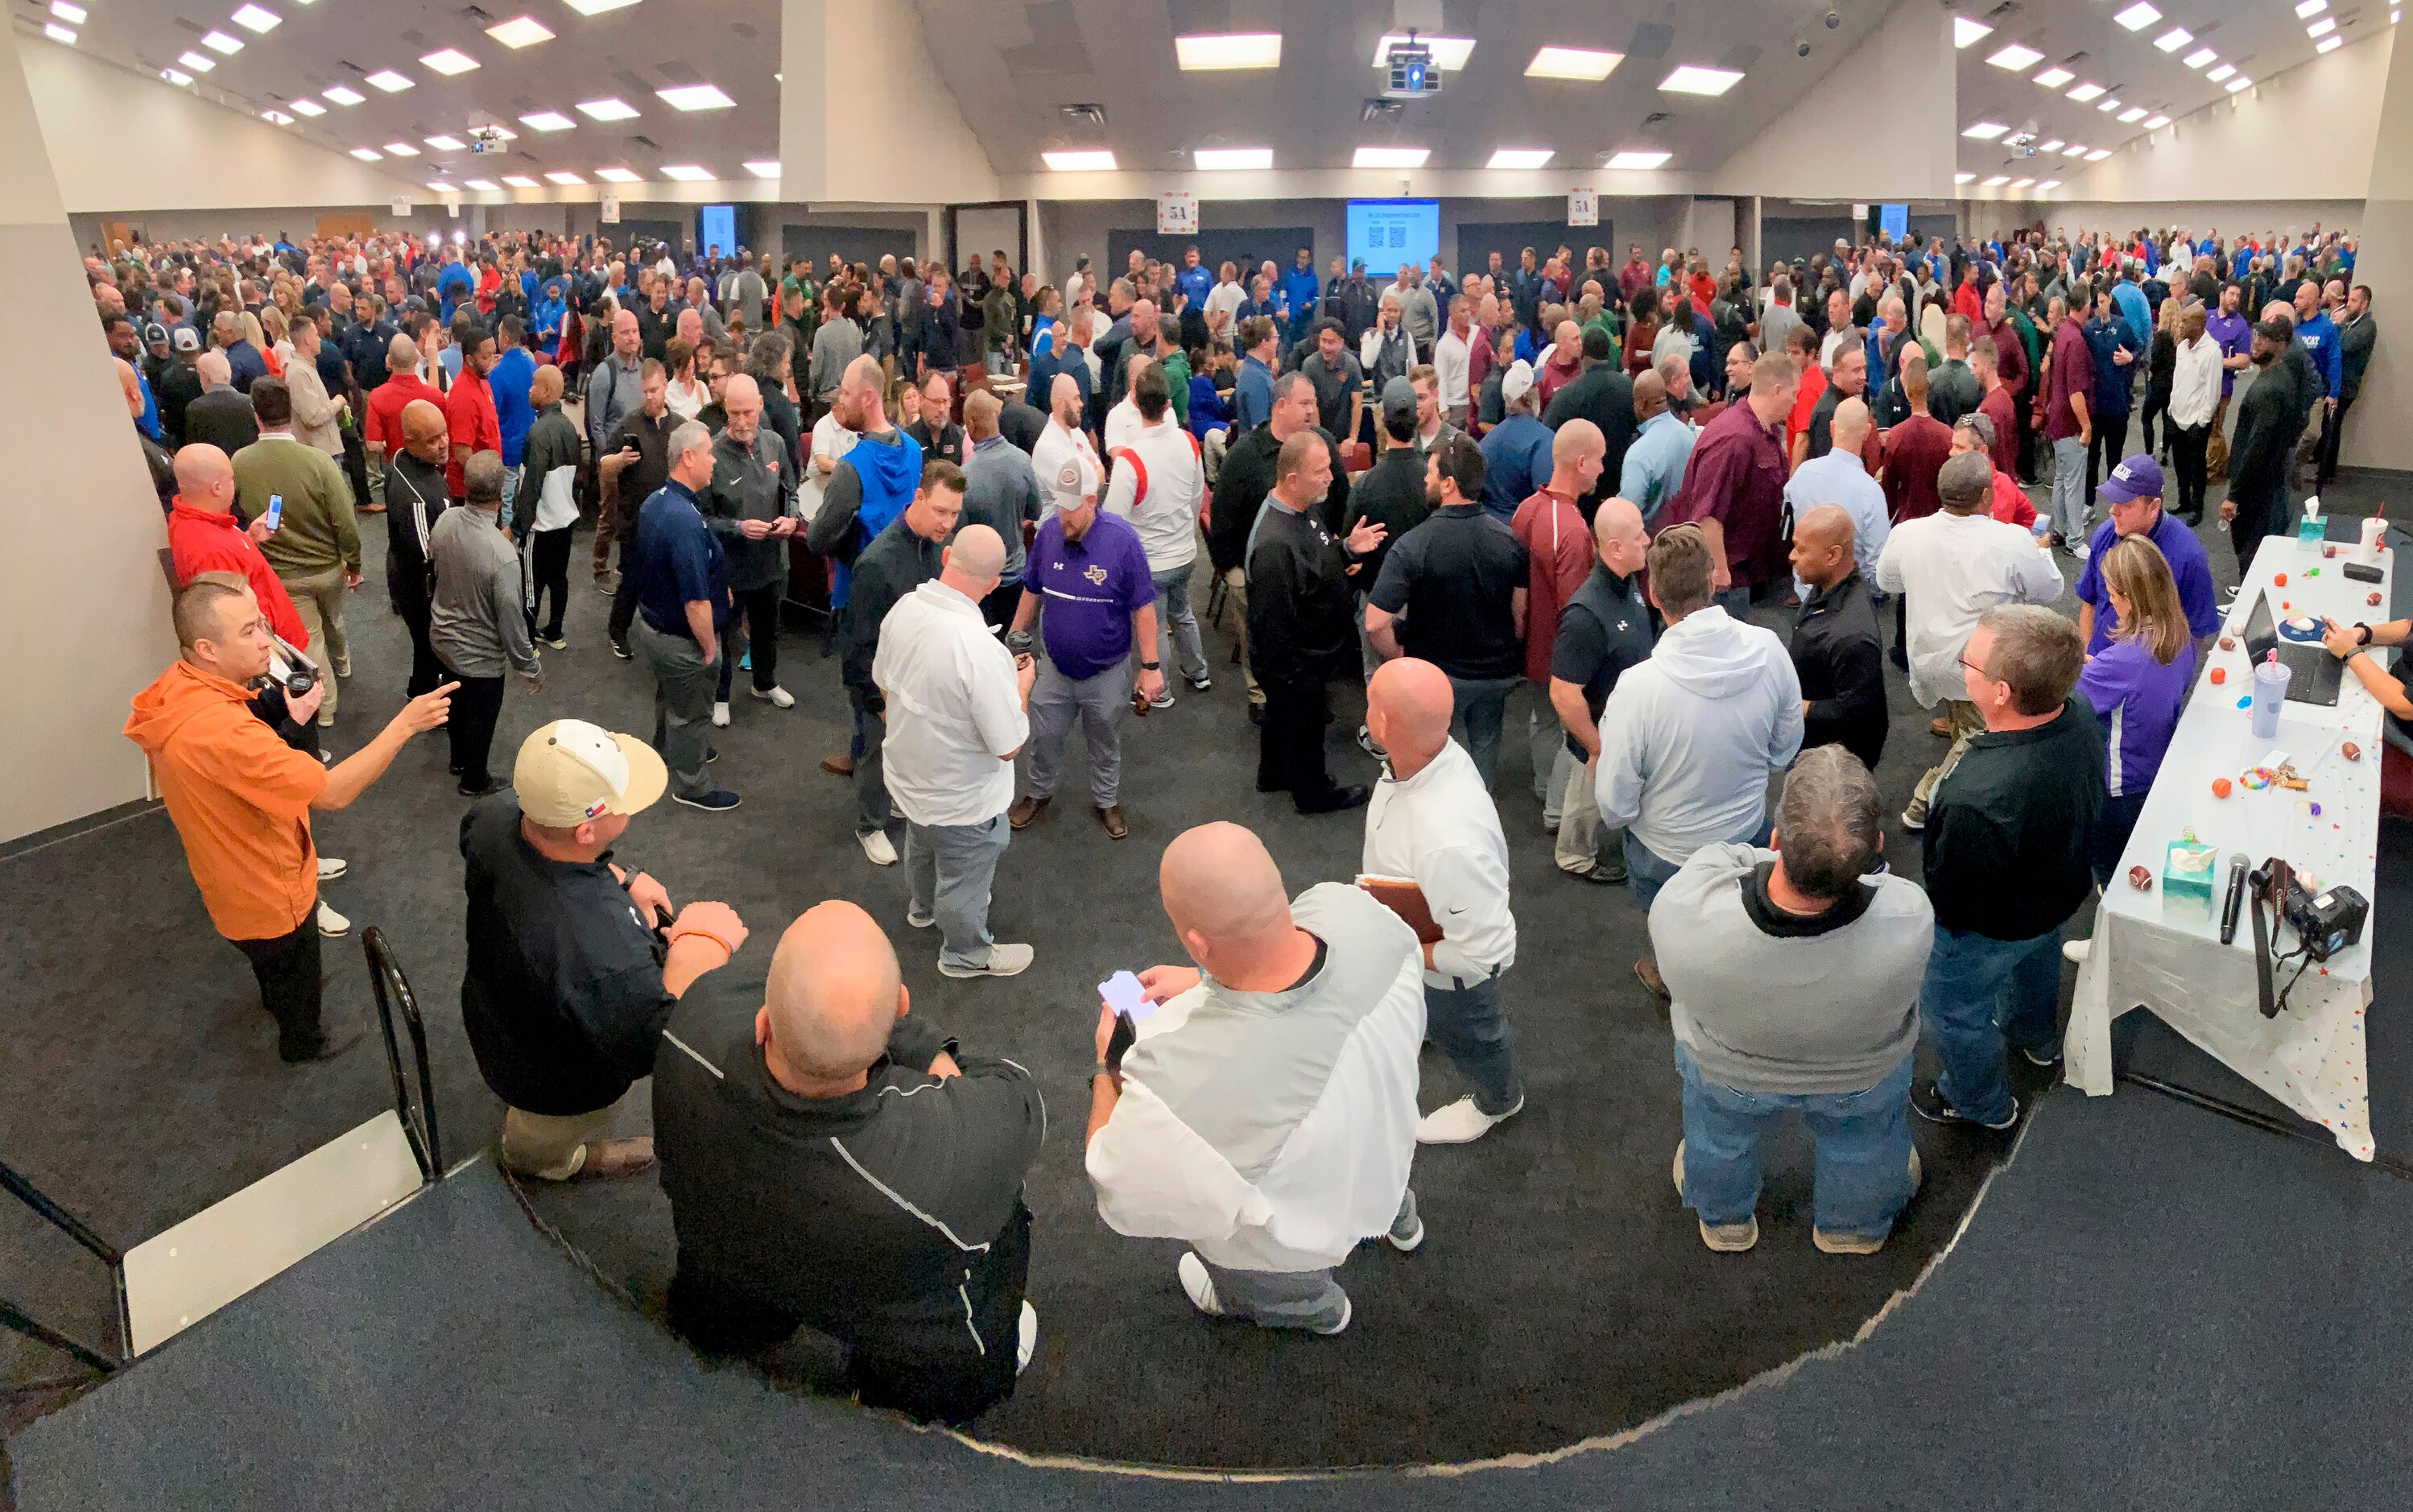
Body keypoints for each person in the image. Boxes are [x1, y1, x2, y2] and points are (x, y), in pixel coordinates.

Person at [654, 900, 1043, 1423]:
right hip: (898, 1320)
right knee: (1003, 1228)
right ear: (900, 1006)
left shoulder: (691, 1029)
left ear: (764, 1021)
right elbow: (1009, 1090)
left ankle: (735, 1331)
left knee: (728, 1291)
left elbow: (710, 982)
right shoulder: (952, 1147)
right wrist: (916, 1043)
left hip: (729, 1262)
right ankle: (897, 1397)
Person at [1083, 822, 1425, 1335]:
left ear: (1197, 942)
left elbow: (1118, 1183)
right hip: (1384, 1133)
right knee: (1387, 1183)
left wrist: (1107, 1073)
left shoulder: (1177, 1092)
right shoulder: (1360, 912)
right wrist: (1205, 983)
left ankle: (1323, 1314)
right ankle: (1403, 1224)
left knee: (1281, 1285)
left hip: (1293, 1239)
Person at [125, 577, 452, 1062]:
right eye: (248, 632)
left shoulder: (179, 687)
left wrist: (280, 711)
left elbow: (240, 731)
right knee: (294, 965)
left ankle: (280, 995)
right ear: (207, 648)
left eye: (261, 623)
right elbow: (333, 792)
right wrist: (404, 724)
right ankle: (303, 1041)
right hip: (267, 890)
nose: (265, 639)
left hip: (226, 880)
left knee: (273, 966)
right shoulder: (224, 735)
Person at [1655, 747, 1932, 1254]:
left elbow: (1726, 858)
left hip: (1728, 1070)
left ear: (1776, 838)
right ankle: (1852, 1229)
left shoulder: (1684, 908)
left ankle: (1724, 1223)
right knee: (1865, 1145)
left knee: (1719, 1141)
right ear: (1878, 848)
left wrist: (1780, 856)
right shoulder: (1910, 913)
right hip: (1859, 1075)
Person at [461, 719, 746, 1182]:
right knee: (540, 1142)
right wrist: (704, 946)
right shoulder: (604, 957)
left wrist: (618, 877)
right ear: (587, 832)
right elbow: (650, 1043)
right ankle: (554, 1163)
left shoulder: (493, 816)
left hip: (494, 1007)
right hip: (557, 1080)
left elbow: (524, 855)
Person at [1913, 605, 2104, 1130]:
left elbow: (1952, 902)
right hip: (2058, 893)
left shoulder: (1976, 795)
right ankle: (2035, 1039)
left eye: (1967, 663)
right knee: (2037, 961)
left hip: (1986, 930)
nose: (1960, 666)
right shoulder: (2079, 711)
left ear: (2001, 692)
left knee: (1954, 1013)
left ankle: (1981, 1104)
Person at [1597, 525, 1804, 1000]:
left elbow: (1614, 803)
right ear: (1712, 582)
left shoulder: (1637, 687)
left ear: (1652, 594)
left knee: (1669, 933)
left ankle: (1674, 978)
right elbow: (1785, 746)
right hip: (1747, 831)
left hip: (1664, 852)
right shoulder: (1770, 649)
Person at [1361, 659, 1524, 1145]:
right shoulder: (1431, 751)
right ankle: (1427, 1023)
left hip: (1456, 978)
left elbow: (1485, 953)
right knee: (1428, 1012)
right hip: (1421, 937)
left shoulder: (1447, 839)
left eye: (1370, 705)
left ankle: (1499, 1099)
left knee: (1476, 1036)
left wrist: (1402, 952)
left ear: (1386, 723)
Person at [874, 523, 1039, 979]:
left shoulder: (903, 610)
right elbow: (1007, 745)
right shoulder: (981, 650)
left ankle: (923, 908)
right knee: (966, 872)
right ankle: (966, 953)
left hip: (909, 778)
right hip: (962, 800)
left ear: (946, 557)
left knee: (922, 847)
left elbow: (884, 687)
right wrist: (1022, 686)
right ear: (993, 584)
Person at [1874, 452, 2064, 831]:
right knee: (1983, 736)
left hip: (1928, 660)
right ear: (1984, 495)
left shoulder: (1907, 534)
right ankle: (1924, 801)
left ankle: (1962, 737)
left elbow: (1886, 582)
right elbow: (2052, 591)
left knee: (1968, 721)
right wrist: (2041, 554)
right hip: (1980, 670)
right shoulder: (2011, 541)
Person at [1006, 436, 1161, 841]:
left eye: (1071, 506)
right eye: (1059, 504)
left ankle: (1106, 799)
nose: (1063, 516)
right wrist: (1017, 638)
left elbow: (1143, 607)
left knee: (1105, 739)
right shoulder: (1049, 533)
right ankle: (1038, 793)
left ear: (1092, 501)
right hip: (1054, 669)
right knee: (1043, 736)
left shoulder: (1122, 542)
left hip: (1106, 673)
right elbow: (1032, 589)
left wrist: (1151, 666)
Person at [1364, 434, 1529, 786]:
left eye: (1431, 473)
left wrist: (1400, 658)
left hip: (1436, 678)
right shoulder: (1510, 542)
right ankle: (1477, 807)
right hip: (1495, 674)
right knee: (1484, 748)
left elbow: (1375, 622)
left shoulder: (1413, 545)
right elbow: (1519, 620)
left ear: (1449, 484)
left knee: (1432, 759)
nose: (1425, 479)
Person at [1248, 432, 1387, 813]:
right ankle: (1313, 795)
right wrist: (1298, 678)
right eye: (1321, 471)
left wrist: (1345, 549)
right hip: (1297, 664)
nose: (1332, 477)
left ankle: (1273, 773)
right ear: (1292, 479)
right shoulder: (1274, 545)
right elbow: (1274, 627)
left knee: (1281, 718)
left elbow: (1312, 562)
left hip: (1309, 656)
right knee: (1304, 727)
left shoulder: (1303, 507)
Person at [837, 465, 965, 867]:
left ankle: (889, 802)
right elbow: (857, 646)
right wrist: (878, 702)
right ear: (919, 497)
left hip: (917, 680)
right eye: (942, 511)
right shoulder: (877, 563)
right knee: (876, 755)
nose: (949, 523)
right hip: (882, 688)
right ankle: (869, 825)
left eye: (956, 514)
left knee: (904, 755)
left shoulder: (933, 546)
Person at [2072, 536, 2196, 897]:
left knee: (2113, 873)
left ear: (2131, 597)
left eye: (2112, 592)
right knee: (2139, 859)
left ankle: (2106, 939)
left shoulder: (2121, 662)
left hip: (2117, 786)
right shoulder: (2179, 634)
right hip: (2155, 767)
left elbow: (2069, 702)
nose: (2108, 599)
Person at [628, 419, 740, 813]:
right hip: (681, 639)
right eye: (709, 452)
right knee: (691, 711)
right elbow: (695, 602)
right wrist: (710, 649)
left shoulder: (657, 501)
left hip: (653, 625)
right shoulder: (685, 521)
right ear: (688, 457)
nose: (714, 460)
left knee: (671, 697)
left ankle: (671, 751)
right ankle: (692, 785)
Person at [236, 378, 361, 728]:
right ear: (290, 413)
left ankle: (326, 710)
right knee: (334, 620)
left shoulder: (240, 462)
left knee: (311, 640)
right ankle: (344, 660)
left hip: (283, 577)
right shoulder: (319, 462)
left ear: (255, 416)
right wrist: (353, 564)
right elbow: (345, 521)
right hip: (328, 569)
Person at [1549, 498, 1655, 883]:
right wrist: (1596, 746)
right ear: (1614, 548)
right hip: (1598, 735)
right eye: (1638, 535)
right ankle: (1574, 856)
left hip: (1622, 726)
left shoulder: (1630, 587)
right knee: (1585, 799)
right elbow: (1563, 693)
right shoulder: (1586, 615)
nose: (1647, 540)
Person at [428, 452, 541, 795]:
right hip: (480, 659)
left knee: (454, 705)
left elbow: (434, 565)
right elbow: (511, 620)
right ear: (500, 497)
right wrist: (529, 666)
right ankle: (475, 780)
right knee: (481, 717)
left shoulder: (445, 520)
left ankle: (458, 759)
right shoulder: (503, 554)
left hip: (442, 640)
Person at [1512, 420, 1605, 832]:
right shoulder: (1569, 527)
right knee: (1567, 726)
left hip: (1532, 647)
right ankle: (1557, 806)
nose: (1603, 469)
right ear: (1581, 462)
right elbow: (1575, 609)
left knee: (1543, 720)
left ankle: (1544, 788)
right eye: (1599, 460)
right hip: (1557, 654)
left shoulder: (1526, 508)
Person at [1100, 364, 1210, 703]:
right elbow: (1197, 493)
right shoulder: (1190, 443)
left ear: (1135, 400)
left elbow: (1113, 520)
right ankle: (1198, 671)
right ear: (1168, 404)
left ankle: (1159, 691)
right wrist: (1187, 532)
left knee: (1155, 624)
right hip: (1185, 554)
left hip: (1151, 563)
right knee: (1183, 612)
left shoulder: (1130, 461)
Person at [1659, 352, 1797, 618]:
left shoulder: (1763, 431)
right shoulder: (1736, 439)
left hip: (1746, 572)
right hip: (1725, 579)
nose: (1796, 401)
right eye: (1793, 393)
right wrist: (1721, 575)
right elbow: (1708, 515)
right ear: (1777, 391)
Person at [694, 374, 799, 725]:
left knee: (768, 628)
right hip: (730, 567)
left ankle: (764, 683)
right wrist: (737, 527)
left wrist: (791, 518)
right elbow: (703, 518)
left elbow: (792, 490)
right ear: (725, 410)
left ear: (760, 408)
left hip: (770, 560)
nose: (740, 422)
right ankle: (720, 696)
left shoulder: (775, 444)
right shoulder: (712, 453)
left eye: (747, 413)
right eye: (734, 413)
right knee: (726, 635)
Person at [2072, 455, 2218, 659]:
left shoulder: (2188, 556)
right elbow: (2089, 602)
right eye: (2114, 501)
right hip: (2099, 663)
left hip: (2147, 678)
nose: (2113, 510)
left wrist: (2167, 679)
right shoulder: (2105, 534)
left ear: (2153, 507)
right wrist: (2087, 658)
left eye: (2125, 504)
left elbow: (2195, 633)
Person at [1787, 505, 1887, 773]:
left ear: (1833, 555)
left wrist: (1800, 706)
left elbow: (1857, 712)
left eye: (1801, 549)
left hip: (1833, 765)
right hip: (1813, 744)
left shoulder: (1852, 637)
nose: (1792, 556)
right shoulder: (1826, 586)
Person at [957, 390, 1044, 630]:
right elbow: (1035, 512)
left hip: (981, 583)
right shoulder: (1023, 460)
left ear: (972, 424)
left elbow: (960, 535)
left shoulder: (966, 476)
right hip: (1016, 575)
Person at [2220, 317, 2300, 571]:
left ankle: (2248, 601)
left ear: (2281, 345)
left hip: (2257, 486)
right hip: (2269, 479)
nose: (2256, 343)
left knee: (2250, 549)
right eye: (2256, 336)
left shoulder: (2270, 389)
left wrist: (2234, 495)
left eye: (2264, 339)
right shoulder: (2281, 376)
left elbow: (2257, 445)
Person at [1783, 395, 1887, 592]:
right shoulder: (1870, 492)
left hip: (1806, 589)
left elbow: (1787, 528)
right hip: (1848, 596)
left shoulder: (1802, 474)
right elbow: (1876, 561)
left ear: (1831, 428)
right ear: (1866, 433)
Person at [516, 366, 582, 648]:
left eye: (533, 384)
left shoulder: (537, 431)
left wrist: (519, 526)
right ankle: (555, 632)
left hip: (539, 525)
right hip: (565, 522)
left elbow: (531, 484)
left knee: (531, 583)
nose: (529, 389)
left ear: (545, 391)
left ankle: (528, 644)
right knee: (558, 578)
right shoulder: (569, 427)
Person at [2040, 295, 2093, 551]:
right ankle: (2075, 540)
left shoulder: (2062, 333)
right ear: (2086, 306)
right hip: (2069, 423)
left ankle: (2060, 531)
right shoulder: (2076, 340)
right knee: (2073, 482)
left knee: (2062, 479)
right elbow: (2076, 392)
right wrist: (2086, 427)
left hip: (2056, 419)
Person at [1477, 361, 1554, 519]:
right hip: (1521, 530)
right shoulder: (1543, 438)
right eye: (1535, 387)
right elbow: (1545, 496)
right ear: (1527, 398)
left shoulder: (1488, 440)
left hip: (1487, 526)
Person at [445, 321, 502, 500]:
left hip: (488, 480)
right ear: (469, 360)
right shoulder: (464, 396)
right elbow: (462, 453)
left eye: (494, 353)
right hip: (474, 492)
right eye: (486, 356)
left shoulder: (483, 381)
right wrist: (487, 484)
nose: (493, 360)